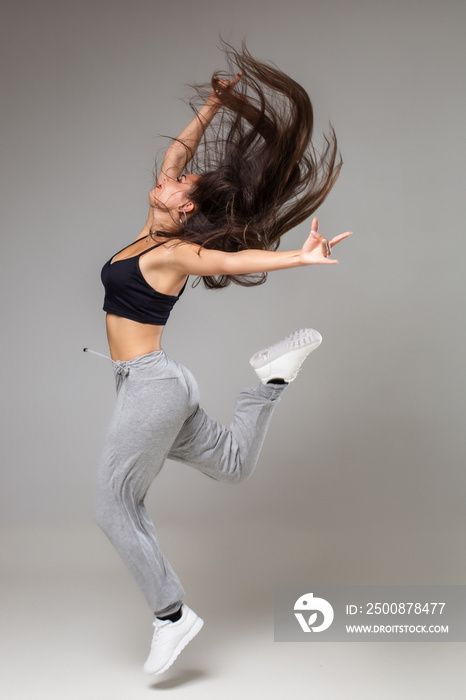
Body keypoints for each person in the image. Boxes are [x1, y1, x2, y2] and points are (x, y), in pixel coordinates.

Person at [87, 44, 351, 676]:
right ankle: (270, 383)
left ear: (183, 211)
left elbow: (231, 261)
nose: (172, 173)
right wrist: (212, 104)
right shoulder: (148, 230)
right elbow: (178, 154)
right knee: (231, 466)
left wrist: (298, 258)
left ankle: (172, 616)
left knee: (113, 505)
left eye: (180, 185)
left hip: (152, 385)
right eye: (177, 176)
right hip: (151, 383)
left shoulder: (172, 251)